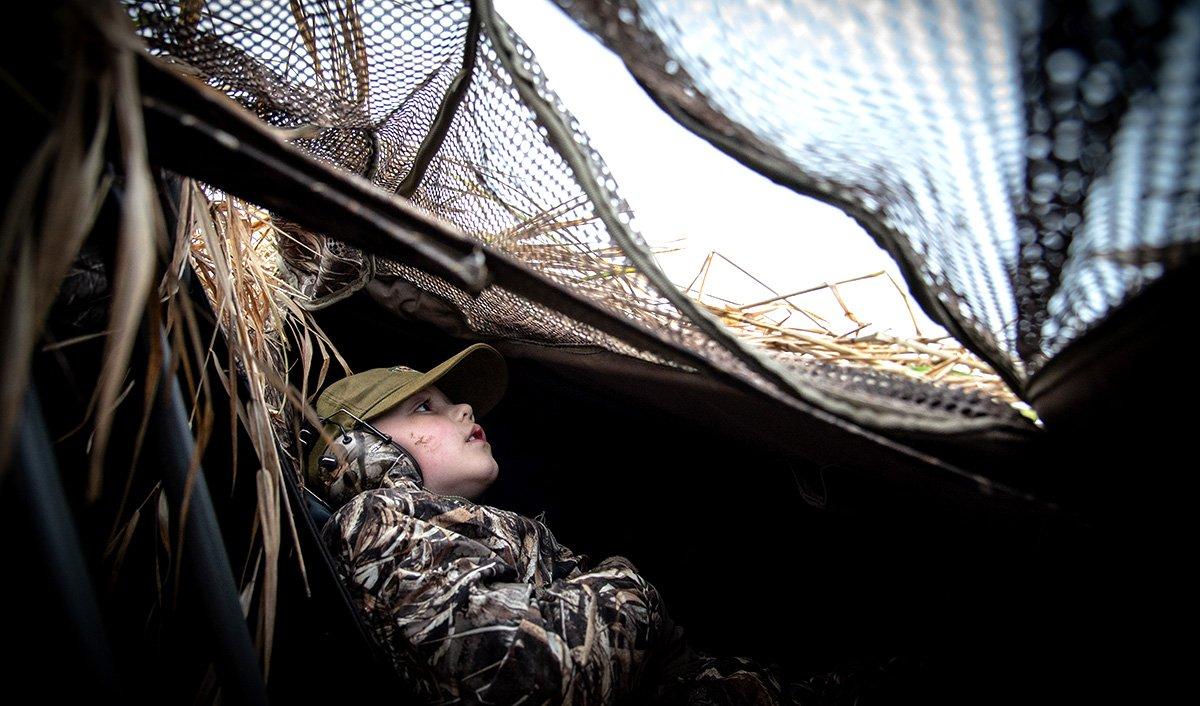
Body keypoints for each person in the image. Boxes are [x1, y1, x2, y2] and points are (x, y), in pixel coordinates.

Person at [306, 343, 834, 705]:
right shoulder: (375, 520)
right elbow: (522, 674)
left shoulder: (451, 525)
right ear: (354, 448)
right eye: (425, 407)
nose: (465, 408)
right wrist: (634, 594)